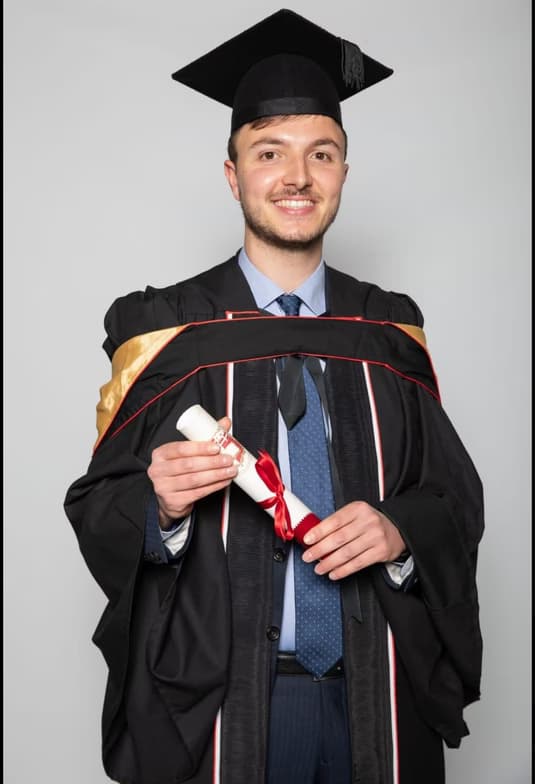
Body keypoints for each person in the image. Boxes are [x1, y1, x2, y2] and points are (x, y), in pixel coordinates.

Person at [65, 9, 484, 784]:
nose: (296, 177)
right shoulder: (163, 329)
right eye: (269, 153)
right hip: (221, 702)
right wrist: (156, 506)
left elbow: (454, 503)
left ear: (342, 175)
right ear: (233, 175)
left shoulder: (389, 328)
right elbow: (97, 507)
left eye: (320, 154)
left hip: (380, 691)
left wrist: (399, 530)